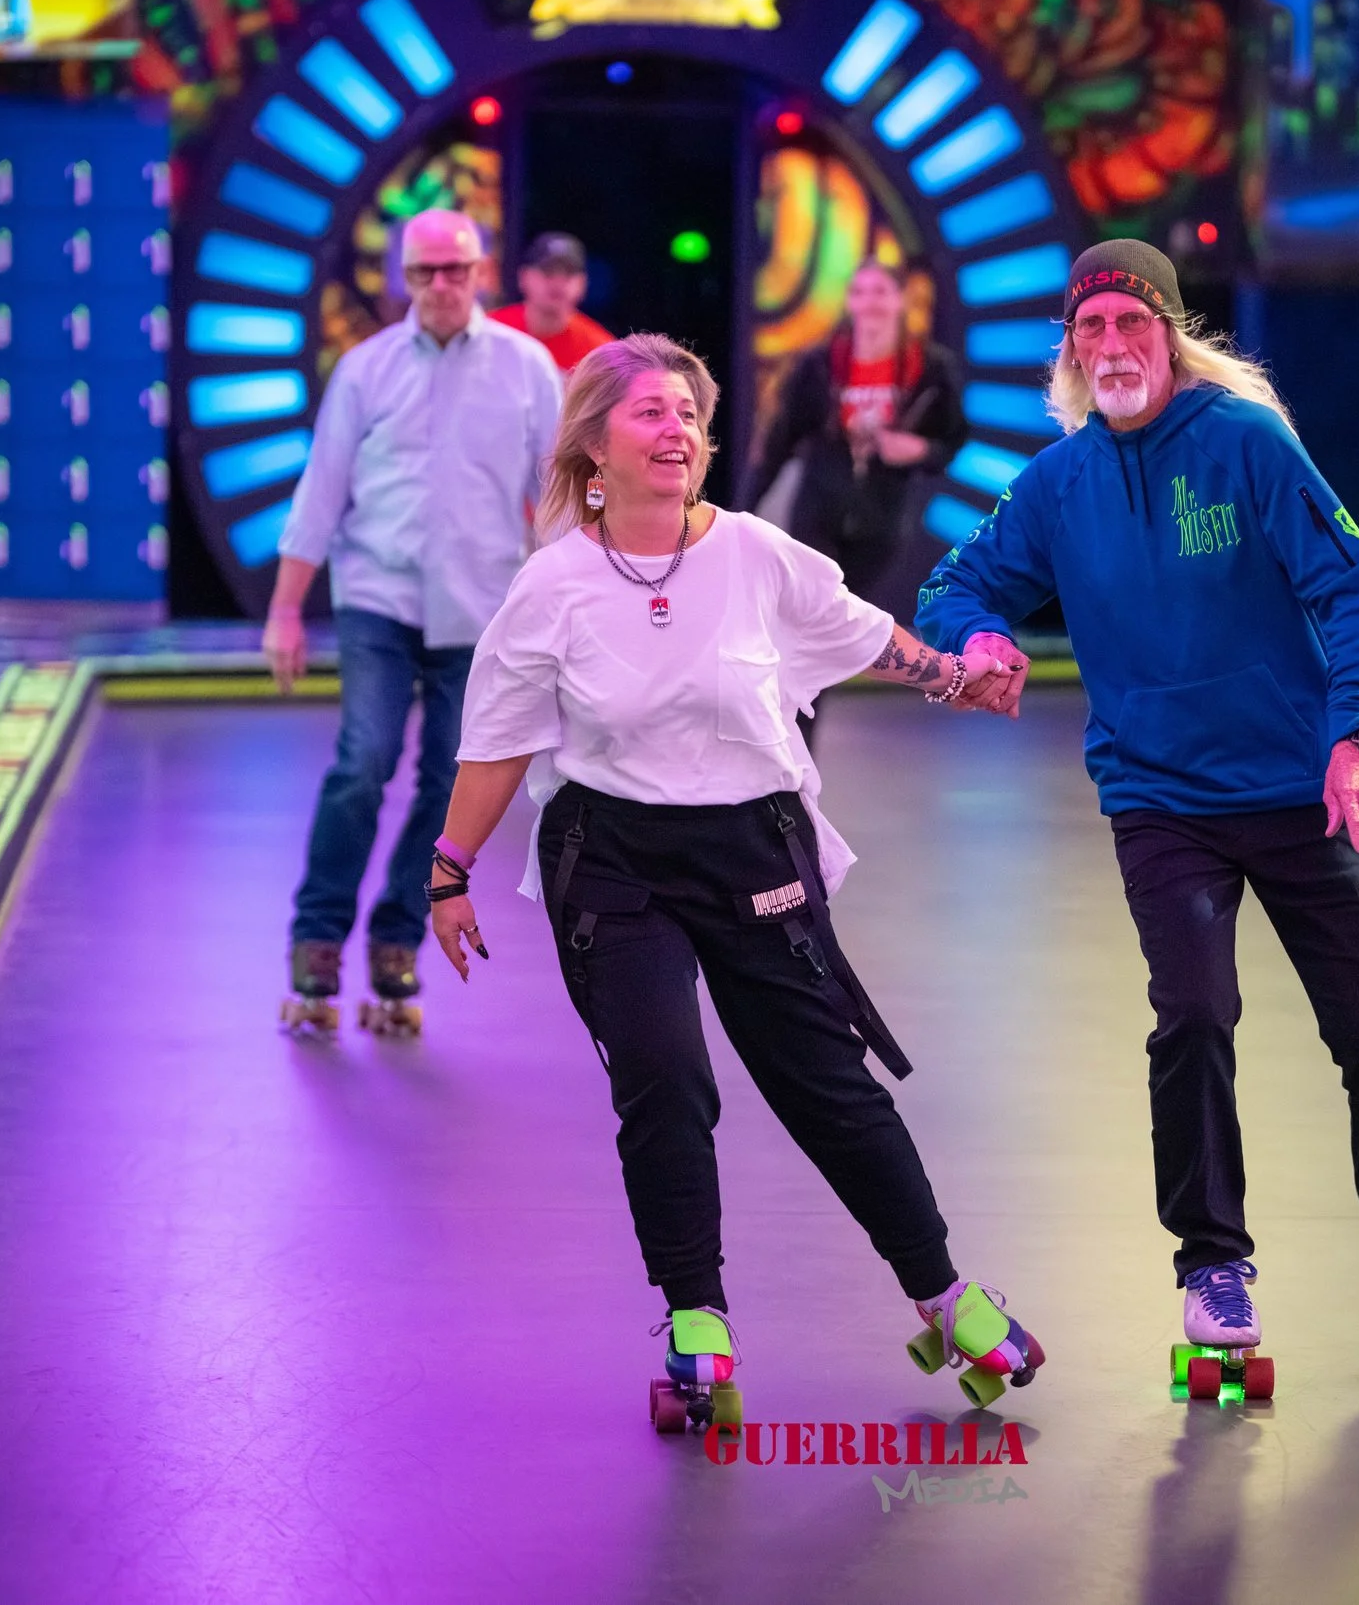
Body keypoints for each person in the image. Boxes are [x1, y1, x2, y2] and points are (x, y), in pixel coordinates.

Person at [915, 239, 1359, 1368]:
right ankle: (1211, 1266)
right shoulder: (1060, 481)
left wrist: (1357, 740)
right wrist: (978, 635)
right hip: (1158, 797)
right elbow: (953, 585)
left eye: (1130, 324)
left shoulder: (1245, 443)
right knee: (1192, 1017)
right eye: (1089, 330)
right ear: (1071, 351)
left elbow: (1355, 592)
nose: (1110, 347)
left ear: (1171, 336)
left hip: (1295, 786)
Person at [427, 332, 1043, 1414]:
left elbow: (865, 637)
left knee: (826, 1080)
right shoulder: (553, 585)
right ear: (594, 448)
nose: (676, 430)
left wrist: (957, 677)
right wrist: (449, 870)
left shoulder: (756, 552)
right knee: (664, 1075)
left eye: (688, 414)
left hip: (754, 848)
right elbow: (499, 742)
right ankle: (694, 1315)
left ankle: (944, 1295)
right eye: (650, 412)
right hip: (613, 861)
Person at [263, 208, 562, 1032]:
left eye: (455, 268)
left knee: (450, 786)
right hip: (378, 598)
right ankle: (317, 938)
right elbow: (322, 489)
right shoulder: (366, 369)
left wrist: (572, 610)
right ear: (404, 276)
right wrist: (285, 608)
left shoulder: (528, 368)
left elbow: (557, 498)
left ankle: (397, 938)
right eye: (425, 270)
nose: (440, 285)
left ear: (481, 271)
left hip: (481, 610)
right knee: (363, 763)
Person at [742, 259, 967, 604]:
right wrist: (744, 510)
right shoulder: (820, 364)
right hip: (817, 508)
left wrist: (920, 450)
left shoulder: (931, 369)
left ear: (900, 299)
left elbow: (952, 440)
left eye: (880, 291)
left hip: (883, 516)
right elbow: (778, 441)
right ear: (849, 301)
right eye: (860, 292)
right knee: (816, 602)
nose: (870, 302)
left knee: (849, 608)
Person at [487, 231, 614, 375]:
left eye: (568, 273)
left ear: (583, 283)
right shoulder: (490, 329)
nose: (557, 282)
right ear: (523, 277)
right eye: (548, 271)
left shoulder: (600, 353)